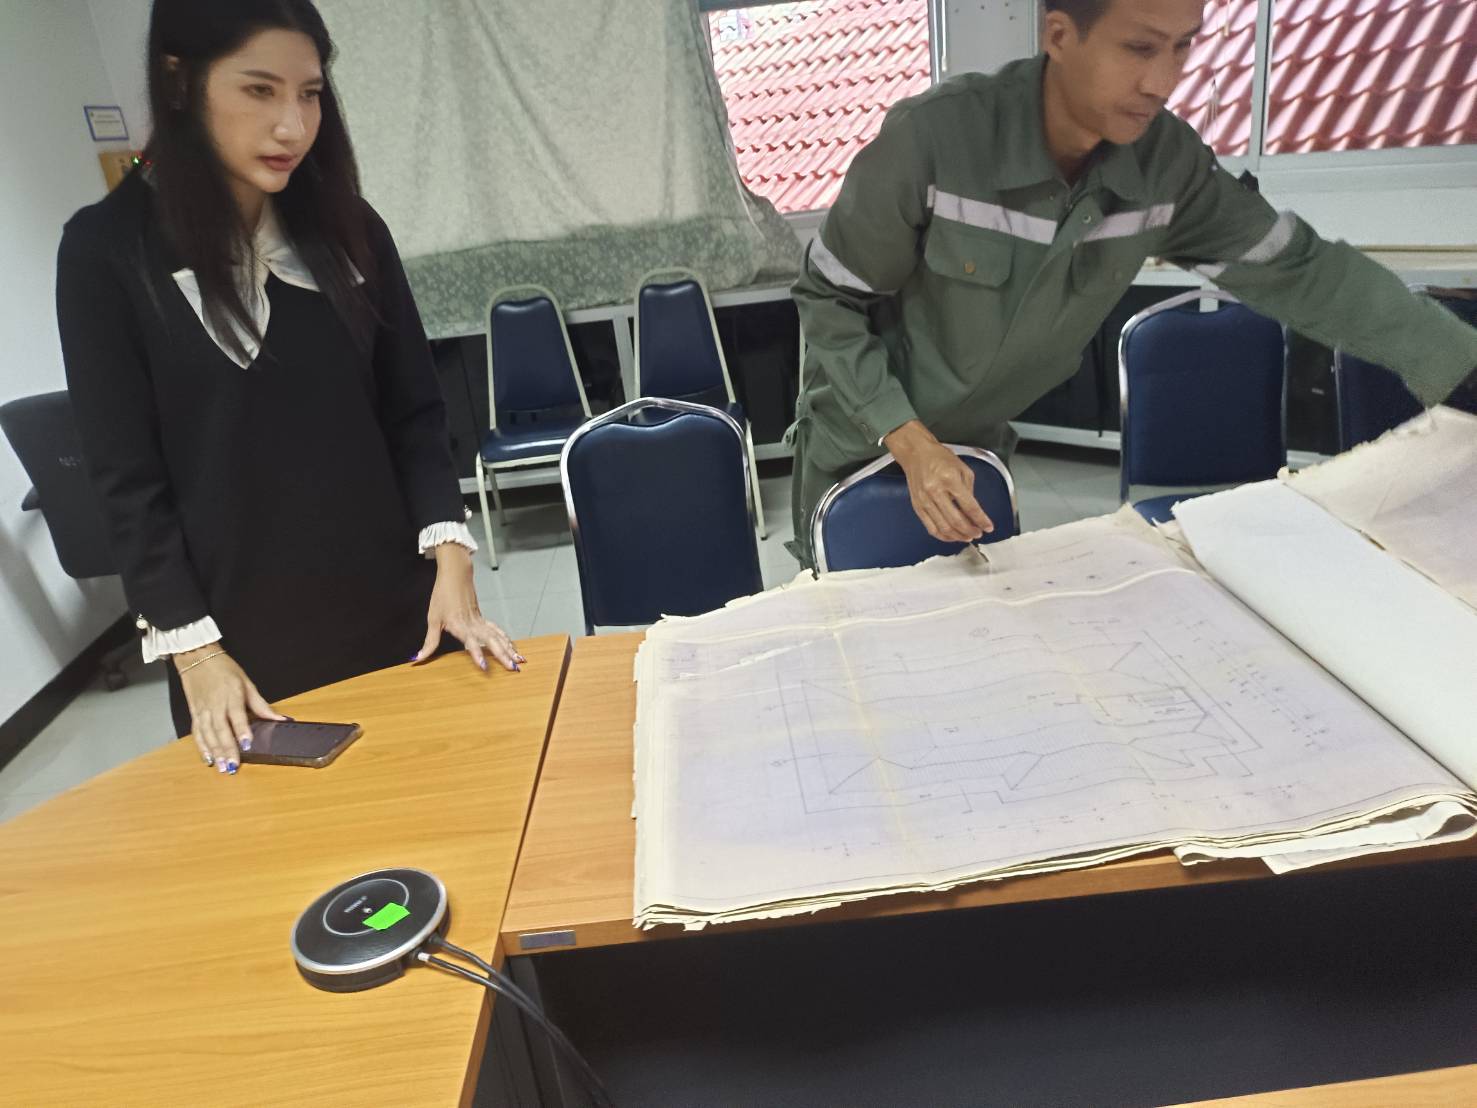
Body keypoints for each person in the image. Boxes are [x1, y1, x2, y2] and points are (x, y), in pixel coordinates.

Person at [788, 0, 1477, 567]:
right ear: (1060, 35)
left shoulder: (1164, 166)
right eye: (1140, 48)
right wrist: (909, 440)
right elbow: (828, 300)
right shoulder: (936, 139)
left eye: (1182, 47)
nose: (1163, 82)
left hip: (977, 448)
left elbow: (1301, 270)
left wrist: (1459, 368)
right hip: (860, 437)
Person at [56, 0, 521, 774]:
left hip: (404, 617)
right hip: (241, 653)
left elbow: (413, 410)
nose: (292, 126)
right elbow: (128, 486)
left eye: (309, 93)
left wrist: (451, 557)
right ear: (179, 81)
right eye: (259, 90)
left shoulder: (349, 227)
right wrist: (195, 653)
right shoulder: (106, 253)